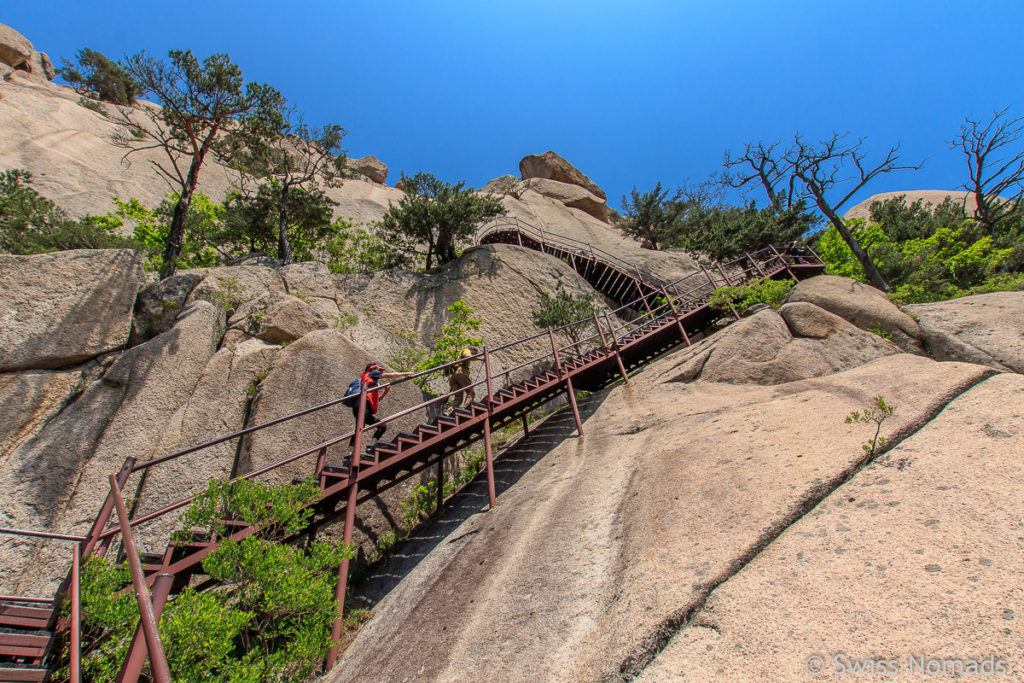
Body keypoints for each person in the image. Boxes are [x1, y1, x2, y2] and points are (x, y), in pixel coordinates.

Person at [348, 362, 413, 449]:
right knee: (360, 429)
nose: (379, 371)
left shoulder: (368, 382)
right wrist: (406, 374)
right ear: (373, 369)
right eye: (378, 369)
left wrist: (384, 393)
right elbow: (392, 375)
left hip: (361, 406)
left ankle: (369, 447)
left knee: (381, 426)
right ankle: (353, 453)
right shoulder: (372, 373)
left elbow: (375, 400)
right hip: (363, 404)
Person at [444, 347, 478, 415]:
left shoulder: (460, 353)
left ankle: (448, 412)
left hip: (454, 376)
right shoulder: (467, 350)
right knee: (471, 392)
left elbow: (472, 359)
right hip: (461, 374)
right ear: (472, 349)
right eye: (475, 353)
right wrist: (481, 358)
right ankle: (465, 409)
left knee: (458, 398)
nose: (475, 354)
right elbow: (467, 356)